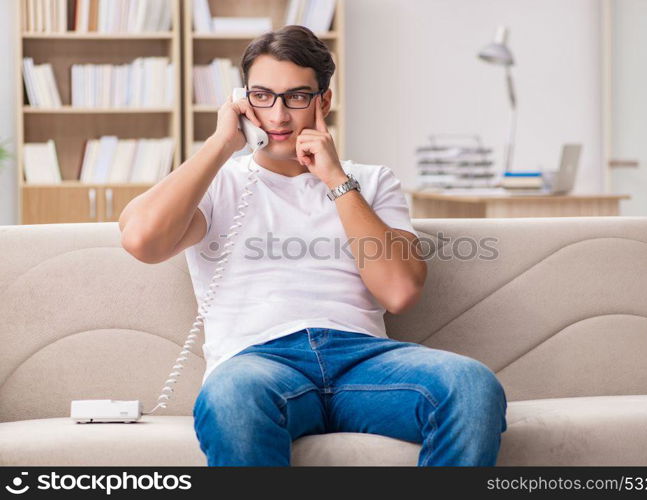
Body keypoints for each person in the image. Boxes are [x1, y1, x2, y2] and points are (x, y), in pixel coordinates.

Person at [119, 25, 508, 466]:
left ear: (324, 100)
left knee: (472, 385)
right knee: (230, 396)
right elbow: (141, 241)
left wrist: (336, 180)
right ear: (241, 101)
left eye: (297, 97)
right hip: (258, 365)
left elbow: (399, 291)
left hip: (363, 362)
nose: (279, 116)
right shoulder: (216, 182)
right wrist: (221, 143)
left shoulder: (372, 181)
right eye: (262, 96)